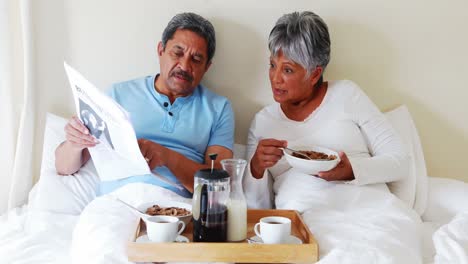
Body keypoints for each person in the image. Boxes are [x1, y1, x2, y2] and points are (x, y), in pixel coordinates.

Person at [242, 11, 423, 262]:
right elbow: (256, 207)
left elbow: (401, 162)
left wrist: (351, 170)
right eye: (272, 65)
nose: (275, 78)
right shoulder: (264, 121)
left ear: (314, 74)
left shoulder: (348, 95)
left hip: (372, 213)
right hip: (306, 219)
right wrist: (256, 167)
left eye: (288, 70)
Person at [56, 13, 234, 263]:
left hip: (179, 207)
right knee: (100, 253)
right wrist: (74, 143)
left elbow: (219, 184)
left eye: (196, 58)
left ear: (207, 67)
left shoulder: (218, 108)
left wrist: (167, 157)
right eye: (177, 52)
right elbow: (63, 167)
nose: (185, 65)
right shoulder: (118, 94)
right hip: (119, 201)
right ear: (160, 50)